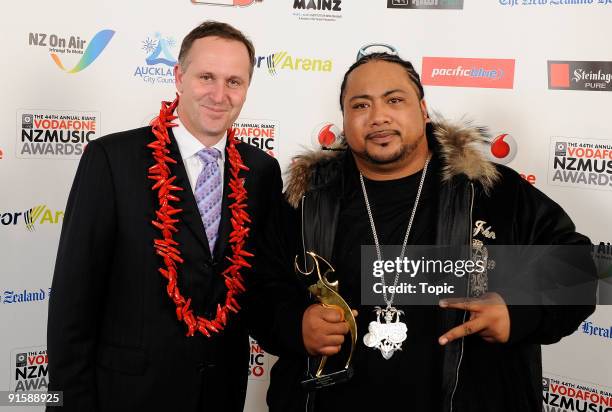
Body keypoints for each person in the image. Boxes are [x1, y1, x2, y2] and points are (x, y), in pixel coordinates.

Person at [265, 52, 596, 412]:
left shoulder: (492, 192)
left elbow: (578, 270)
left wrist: (518, 311)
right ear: (344, 119)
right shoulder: (306, 202)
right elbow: (260, 291)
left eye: (394, 100)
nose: (378, 117)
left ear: (423, 110)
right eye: (361, 105)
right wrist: (293, 324)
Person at [47, 21, 285, 411]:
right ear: (178, 77)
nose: (219, 94)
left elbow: (258, 289)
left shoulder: (261, 172)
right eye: (206, 77)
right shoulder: (112, 160)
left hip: (220, 395)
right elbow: (72, 305)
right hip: (128, 396)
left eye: (234, 81)